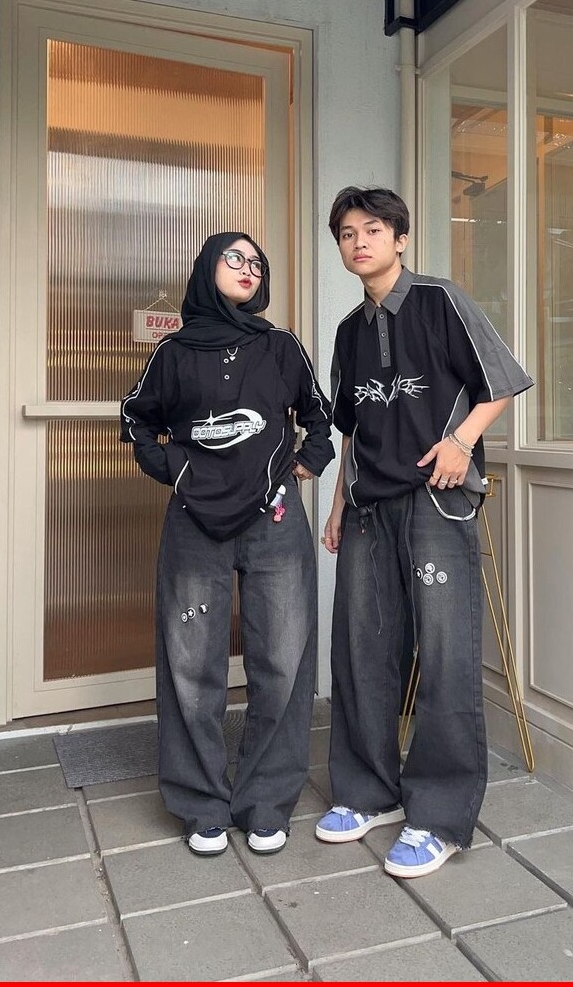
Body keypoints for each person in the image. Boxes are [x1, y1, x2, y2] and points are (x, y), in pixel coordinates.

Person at [314, 187, 533, 878]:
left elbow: (500, 382)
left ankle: (438, 817)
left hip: (437, 501)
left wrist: (461, 442)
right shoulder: (348, 332)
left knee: (443, 656)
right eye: (347, 233)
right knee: (361, 650)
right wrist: (338, 505)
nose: (359, 242)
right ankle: (368, 792)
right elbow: (352, 430)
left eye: (373, 229)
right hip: (368, 508)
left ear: (400, 238)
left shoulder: (440, 301)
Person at [121, 232, 334, 857]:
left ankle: (266, 802)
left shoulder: (280, 347)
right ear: (206, 269)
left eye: (257, 262)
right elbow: (137, 418)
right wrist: (175, 470)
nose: (249, 268)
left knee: (283, 661)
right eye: (234, 258)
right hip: (195, 523)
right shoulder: (174, 353)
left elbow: (319, 417)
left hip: (274, 521)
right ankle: (202, 803)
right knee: (191, 664)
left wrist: (308, 461)